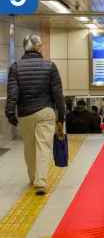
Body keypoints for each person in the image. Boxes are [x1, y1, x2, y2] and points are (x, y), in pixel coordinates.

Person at [5, 34, 65, 195]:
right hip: (45, 111)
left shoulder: (15, 67)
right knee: (43, 147)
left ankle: (33, 177)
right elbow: (58, 94)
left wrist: (10, 111)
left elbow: (12, 92)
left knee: (29, 147)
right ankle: (40, 181)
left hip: (25, 113)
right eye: (42, 46)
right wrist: (62, 116)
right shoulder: (50, 66)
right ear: (38, 48)